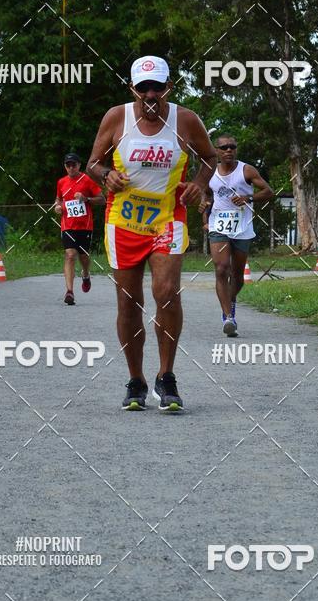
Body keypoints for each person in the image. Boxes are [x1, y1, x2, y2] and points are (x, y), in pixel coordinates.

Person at [86, 55, 217, 412]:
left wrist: (199, 185)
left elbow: (209, 158)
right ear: (132, 88)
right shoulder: (116, 118)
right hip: (124, 222)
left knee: (167, 293)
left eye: (157, 87)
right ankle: (136, 381)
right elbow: (93, 163)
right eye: (142, 87)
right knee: (129, 303)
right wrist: (105, 176)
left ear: (168, 87)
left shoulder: (185, 120)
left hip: (166, 220)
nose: (150, 94)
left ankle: (166, 376)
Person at [201, 134, 274, 336]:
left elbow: (269, 191)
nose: (228, 151)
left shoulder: (246, 170)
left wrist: (248, 197)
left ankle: (230, 301)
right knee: (222, 269)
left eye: (232, 147)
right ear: (216, 151)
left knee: (238, 277)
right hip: (219, 227)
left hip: (242, 227)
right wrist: (205, 220)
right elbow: (206, 195)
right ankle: (228, 317)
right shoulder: (210, 173)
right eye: (223, 147)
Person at [54, 153, 105, 305]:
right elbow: (59, 198)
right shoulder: (61, 182)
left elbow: (102, 199)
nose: (71, 167)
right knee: (70, 255)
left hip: (85, 226)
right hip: (67, 226)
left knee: (83, 257)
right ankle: (69, 292)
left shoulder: (87, 180)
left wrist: (86, 199)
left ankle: (86, 274)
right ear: (65, 166)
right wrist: (57, 206)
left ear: (79, 165)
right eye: (68, 165)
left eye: (73, 164)